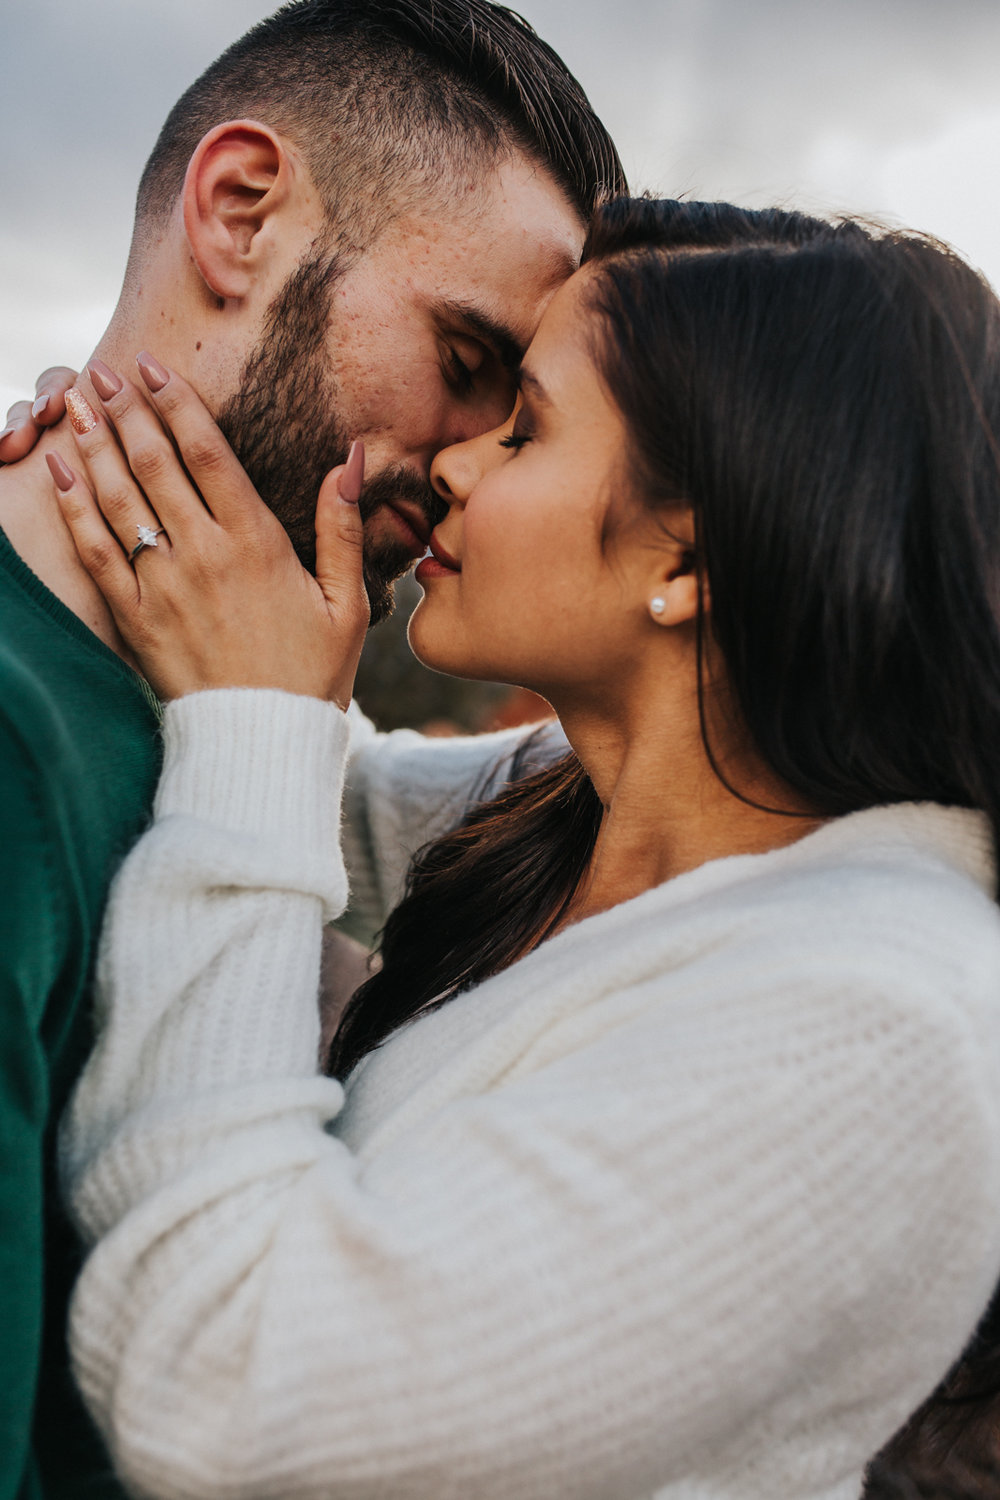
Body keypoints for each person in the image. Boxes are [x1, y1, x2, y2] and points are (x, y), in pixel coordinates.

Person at [40, 196, 1000, 1499]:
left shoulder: (883, 1026)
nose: (456, 462)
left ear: (693, 551)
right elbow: (290, 779)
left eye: (528, 425)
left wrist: (252, 714)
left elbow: (237, 1397)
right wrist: (111, 483)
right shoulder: (586, 808)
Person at [0, 4, 622, 1494]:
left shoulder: (223, 732)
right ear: (240, 211)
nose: (473, 465)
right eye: (468, 357)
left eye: (523, 418)